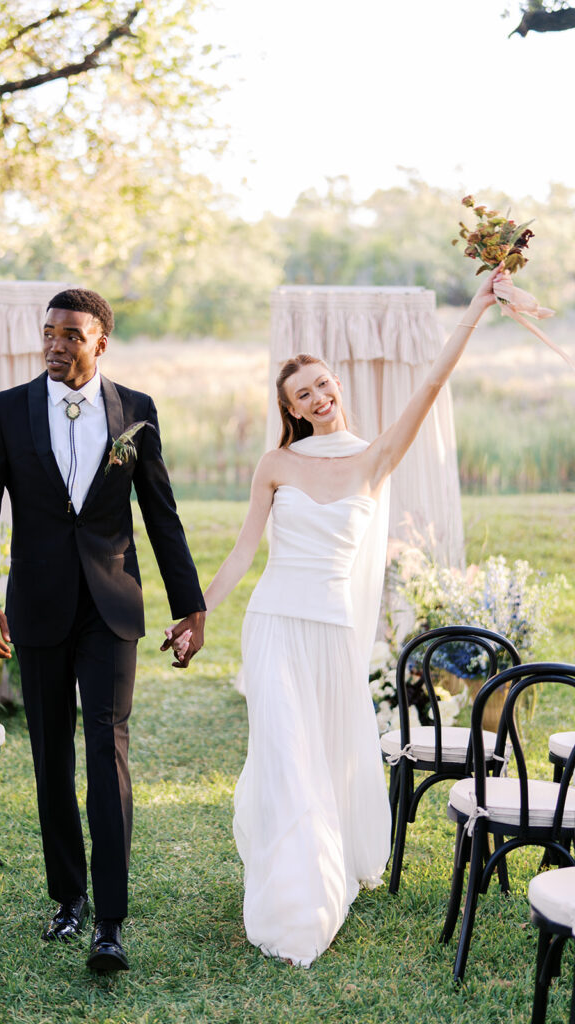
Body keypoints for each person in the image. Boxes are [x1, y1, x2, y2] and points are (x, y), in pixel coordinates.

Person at [191, 266, 505, 966]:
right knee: (285, 752)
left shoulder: (373, 458)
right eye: (304, 394)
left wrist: (478, 308)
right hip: (273, 622)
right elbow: (243, 550)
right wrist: (199, 612)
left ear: (336, 388)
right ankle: (293, 894)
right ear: (294, 409)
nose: (319, 397)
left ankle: (318, 879)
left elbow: (429, 385)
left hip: (331, 630)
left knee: (323, 757)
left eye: (324, 384)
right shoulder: (275, 463)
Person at [0, 288, 205, 973]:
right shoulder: (5, 411)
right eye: (49, 332)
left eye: (71, 334)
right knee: (51, 762)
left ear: (100, 342)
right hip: (34, 609)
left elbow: (162, 515)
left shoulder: (137, 413)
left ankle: (110, 921)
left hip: (111, 607)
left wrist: (191, 607)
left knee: (108, 752)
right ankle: (67, 897)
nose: (56, 344)